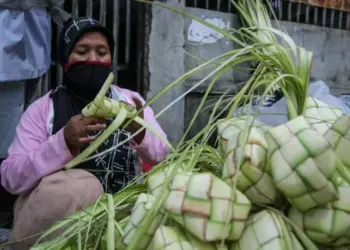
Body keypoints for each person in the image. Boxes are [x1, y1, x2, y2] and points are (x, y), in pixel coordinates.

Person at [0, 17, 169, 249]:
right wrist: (62, 143)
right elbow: (11, 177)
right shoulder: (43, 109)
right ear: (65, 58)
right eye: (82, 51)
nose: (93, 59)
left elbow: (165, 157)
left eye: (102, 52)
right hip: (53, 229)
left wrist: (139, 131)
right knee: (83, 187)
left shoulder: (131, 102)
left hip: (120, 225)